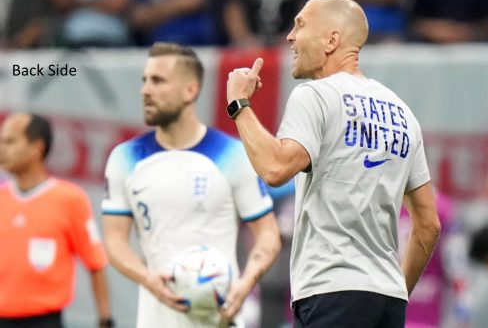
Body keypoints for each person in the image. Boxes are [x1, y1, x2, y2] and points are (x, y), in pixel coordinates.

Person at [225, 0, 441, 327]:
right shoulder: (402, 114)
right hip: (388, 302)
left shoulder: (316, 96)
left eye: (300, 25)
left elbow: (275, 168)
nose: (290, 36)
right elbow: (428, 226)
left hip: (332, 292)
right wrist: (395, 291)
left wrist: (239, 104)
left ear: (332, 40)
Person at [101, 42, 281, 328]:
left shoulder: (233, 154)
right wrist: (148, 278)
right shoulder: (124, 158)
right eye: (144, 80)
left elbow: (268, 236)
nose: (145, 90)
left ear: (190, 90)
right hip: (155, 319)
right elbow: (114, 240)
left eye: (158, 81)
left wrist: (246, 283)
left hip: (221, 318)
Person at [0, 113, 113, 328]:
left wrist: (105, 319)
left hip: (44, 321)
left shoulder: (69, 199)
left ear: (36, 147)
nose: (2, 148)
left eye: (10, 141)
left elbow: (95, 263)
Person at [400, 190, 470, 328]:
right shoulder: (443, 207)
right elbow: (457, 271)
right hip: (429, 317)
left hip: (390, 312)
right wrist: (464, 316)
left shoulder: (379, 200)